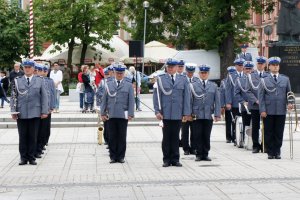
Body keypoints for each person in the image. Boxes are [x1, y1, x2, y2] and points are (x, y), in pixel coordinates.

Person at [153, 58, 191, 167]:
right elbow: (156, 97)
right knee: (166, 137)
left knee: (175, 137)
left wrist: (186, 112)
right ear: (167, 67)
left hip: (178, 113)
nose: (170, 68)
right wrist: (157, 111)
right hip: (165, 113)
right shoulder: (160, 79)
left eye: (173, 67)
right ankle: (166, 159)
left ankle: (175, 159)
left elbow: (186, 97)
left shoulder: (183, 79)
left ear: (176, 68)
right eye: (169, 67)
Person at [10, 59, 49, 165]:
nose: (27, 69)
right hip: (21, 112)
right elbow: (13, 96)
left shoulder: (40, 80)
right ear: (23, 68)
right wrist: (13, 111)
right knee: (22, 136)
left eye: (29, 67)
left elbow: (44, 97)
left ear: (33, 69)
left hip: (35, 112)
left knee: (33, 136)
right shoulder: (17, 80)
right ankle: (23, 157)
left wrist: (44, 111)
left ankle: (31, 157)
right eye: (25, 67)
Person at [258, 57, 293, 159]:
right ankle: (270, 151)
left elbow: (289, 94)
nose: (275, 67)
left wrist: (290, 103)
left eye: (277, 65)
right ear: (269, 67)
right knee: (268, 131)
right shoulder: (264, 80)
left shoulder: (285, 79)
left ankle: (277, 151)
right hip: (268, 110)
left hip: (281, 110)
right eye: (273, 65)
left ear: (279, 67)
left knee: (279, 131)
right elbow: (261, 97)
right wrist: (262, 110)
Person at [101, 64, 134, 164]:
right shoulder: (109, 84)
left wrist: (131, 114)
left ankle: (120, 157)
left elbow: (131, 100)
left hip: (123, 114)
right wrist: (102, 113)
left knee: (122, 136)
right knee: (112, 136)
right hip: (111, 114)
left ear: (124, 73)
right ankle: (113, 156)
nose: (119, 74)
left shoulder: (128, 84)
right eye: (118, 73)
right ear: (114, 73)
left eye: (121, 73)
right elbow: (104, 100)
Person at [191, 65, 221, 161]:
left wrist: (217, 114)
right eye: (202, 73)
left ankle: (205, 153)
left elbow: (217, 101)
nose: (204, 74)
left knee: (206, 135)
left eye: (205, 73)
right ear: (199, 74)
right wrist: (188, 113)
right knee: (197, 134)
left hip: (208, 114)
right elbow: (190, 100)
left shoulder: (213, 86)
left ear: (208, 74)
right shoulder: (193, 85)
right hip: (197, 114)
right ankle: (199, 154)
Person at [247, 56, 269, 153]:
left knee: (267, 126)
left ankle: (265, 145)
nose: (260, 65)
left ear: (265, 65)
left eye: (262, 63)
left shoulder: (268, 75)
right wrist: (256, 100)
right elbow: (248, 91)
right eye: (259, 63)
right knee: (255, 126)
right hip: (255, 105)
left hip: (266, 106)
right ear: (257, 64)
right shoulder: (251, 76)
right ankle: (255, 145)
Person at [34, 64, 56, 158]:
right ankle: (37, 147)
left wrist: (51, 106)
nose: (39, 72)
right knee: (38, 130)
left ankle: (41, 145)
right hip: (36, 109)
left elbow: (52, 94)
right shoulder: (35, 80)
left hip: (46, 109)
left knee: (44, 129)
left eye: (42, 70)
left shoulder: (49, 81)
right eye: (37, 70)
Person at [225, 58, 245, 146]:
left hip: (245, 102)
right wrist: (228, 102)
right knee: (235, 120)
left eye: (241, 65)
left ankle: (244, 137)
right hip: (235, 102)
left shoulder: (247, 74)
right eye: (238, 65)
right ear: (236, 66)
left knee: (245, 120)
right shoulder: (231, 76)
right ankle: (235, 138)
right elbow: (228, 90)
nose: (240, 67)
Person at [234, 61, 254, 147]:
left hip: (255, 105)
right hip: (245, 106)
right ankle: (244, 141)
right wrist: (243, 102)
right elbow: (236, 93)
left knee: (255, 124)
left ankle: (254, 141)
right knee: (245, 123)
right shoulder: (239, 80)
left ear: (252, 69)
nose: (248, 70)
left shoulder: (256, 79)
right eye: (246, 68)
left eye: (250, 68)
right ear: (243, 69)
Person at [181, 63, 197, 155]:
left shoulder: (196, 80)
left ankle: (193, 148)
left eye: (192, 72)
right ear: (186, 71)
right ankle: (186, 148)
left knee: (194, 130)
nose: (190, 74)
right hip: (184, 111)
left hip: (194, 110)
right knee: (185, 130)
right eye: (188, 72)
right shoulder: (182, 80)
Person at [223, 66, 236, 143]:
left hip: (235, 103)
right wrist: (223, 105)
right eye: (230, 73)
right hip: (227, 104)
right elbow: (222, 94)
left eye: (232, 73)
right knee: (228, 121)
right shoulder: (224, 82)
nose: (231, 74)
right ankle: (228, 137)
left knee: (234, 121)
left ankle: (234, 136)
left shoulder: (237, 80)